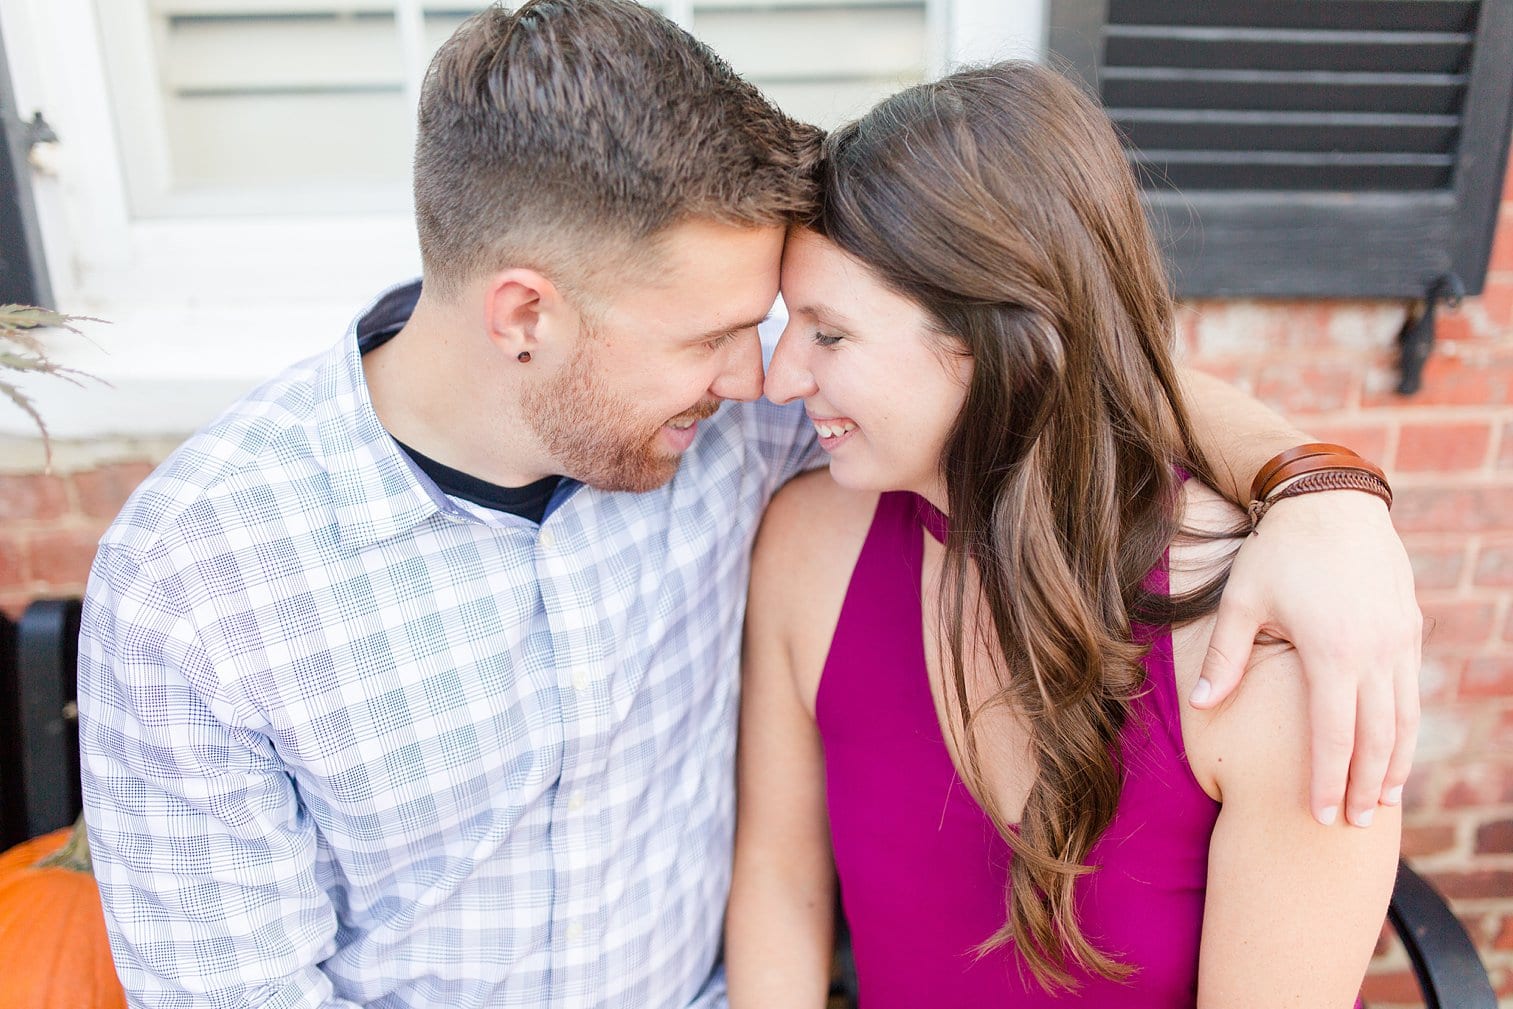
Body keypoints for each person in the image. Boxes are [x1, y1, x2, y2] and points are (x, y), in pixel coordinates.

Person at [77, 4, 1412, 1007]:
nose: (759, 376)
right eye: (720, 334)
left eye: (792, 329)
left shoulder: (744, 440)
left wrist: (1324, 487)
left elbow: (1060, 353)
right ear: (526, 317)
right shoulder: (200, 594)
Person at [725, 61, 1402, 1009]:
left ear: (996, 337)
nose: (780, 377)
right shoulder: (807, 547)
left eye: (828, 335)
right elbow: (780, 884)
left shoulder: (1267, 642)